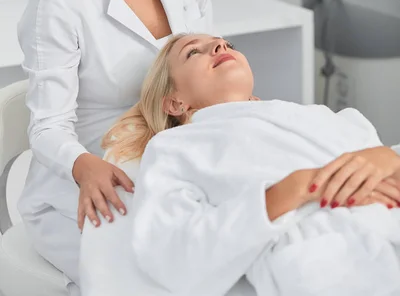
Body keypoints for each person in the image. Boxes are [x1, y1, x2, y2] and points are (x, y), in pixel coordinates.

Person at [17, 0, 213, 295]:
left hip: (178, 160)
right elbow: (47, 127)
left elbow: (208, 64)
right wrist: (84, 166)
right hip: (99, 176)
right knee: (160, 276)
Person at [80, 33, 400, 296]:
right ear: (175, 102)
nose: (219, 46)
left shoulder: (322, 116)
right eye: (193, 53)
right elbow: (173, 253)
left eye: (226, 45)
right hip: (331, 263)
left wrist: (390, 158)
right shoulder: (175, 148)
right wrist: (294, 188)